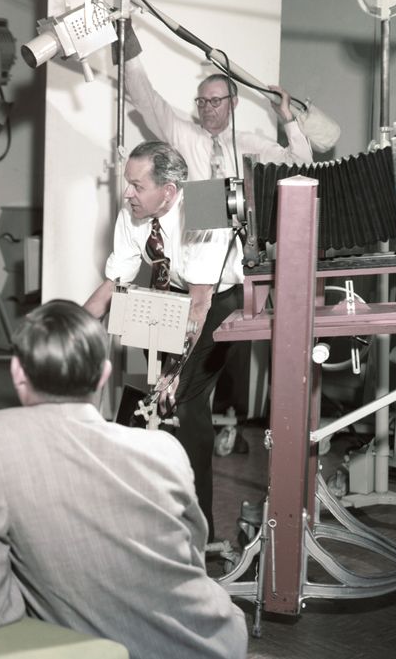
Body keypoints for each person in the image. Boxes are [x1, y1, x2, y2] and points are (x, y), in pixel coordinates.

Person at [0, 300, 247, 659]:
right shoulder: (165, 450)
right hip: (216, 641)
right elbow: (190, 557)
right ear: (103, 374)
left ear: (18, 372)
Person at [83, 141, 242, 541]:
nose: (128, 193)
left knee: (181, 402)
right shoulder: (135, 209)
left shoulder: (206, 204)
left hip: (216, 300)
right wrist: (70, 331)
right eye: (128, 184)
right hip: (168, 296)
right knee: (136, 393)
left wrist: (172, 373)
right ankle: (125, 518)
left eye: (137, 185)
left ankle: (198, 530)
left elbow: (200, 302)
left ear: (168, 191)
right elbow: (113, 282)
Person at [117, 19, 313, 181]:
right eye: (201, 101)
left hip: (240, 227)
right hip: (195, 226)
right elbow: (145, 98)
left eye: (215, 101)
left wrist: (287, 117)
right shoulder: (183, 135)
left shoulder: (251, 144)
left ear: (233, 103)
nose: (207, 107)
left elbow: (301, 166)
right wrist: (125, 39)